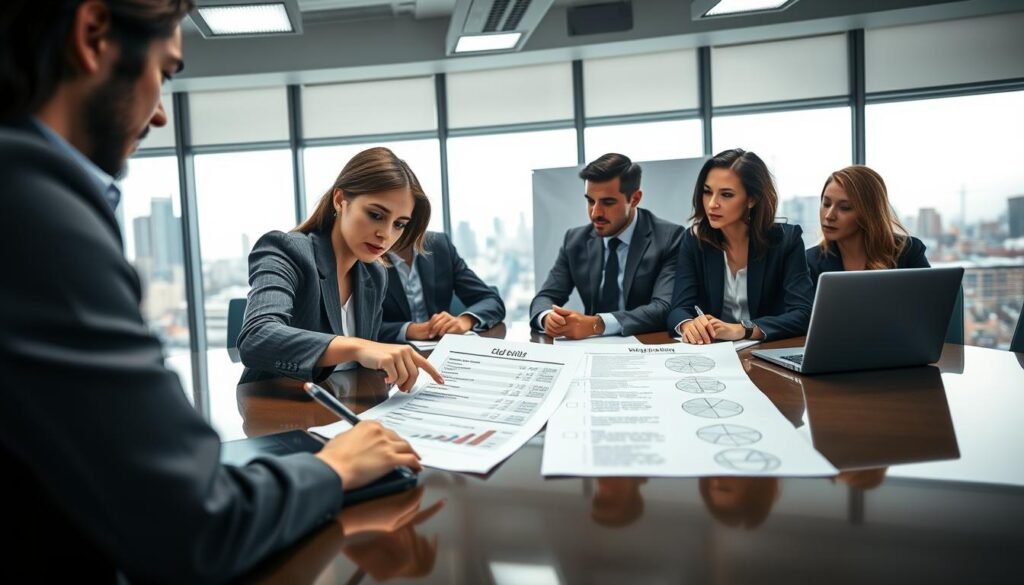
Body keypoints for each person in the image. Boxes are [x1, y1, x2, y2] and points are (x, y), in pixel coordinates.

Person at [0, 2, 423, 581]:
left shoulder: (375, 275)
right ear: (93, 34)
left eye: (399, 224)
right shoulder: (36, 212)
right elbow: (193, 519)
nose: (160, 118)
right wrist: (334, 468)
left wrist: (407, 336)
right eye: (167, 72)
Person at [238, 146, 444, 391]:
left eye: (399, 224)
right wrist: (357, 347)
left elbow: (362, 368)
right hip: (277, 410)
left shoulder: (374, 275)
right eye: (376, 215)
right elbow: (257, 338)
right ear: (340, 201)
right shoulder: (286, 250)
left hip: (343, 409)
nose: (386, 235)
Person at [530, 153, 685, 339]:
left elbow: (664, 307)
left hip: (647, 347)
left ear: (634, 199)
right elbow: (545, 297)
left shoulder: (669, 238)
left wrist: (597, 324)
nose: (595, 213)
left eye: (608, 202)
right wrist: (548, 318)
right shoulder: (575, 240)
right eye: (590, 201)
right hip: (591, 349)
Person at [667, 148, 813, 344]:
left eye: (726, 195)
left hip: (766, 354)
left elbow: (803, 314)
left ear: (752, 199)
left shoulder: (786, 240)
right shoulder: (694, 239)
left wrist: (741, 329)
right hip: (714, 352)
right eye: (707, 191)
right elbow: (678, 308)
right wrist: (689, 325)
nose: (711, 204)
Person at [807, 165, 929, 288]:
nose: (829, 216)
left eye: (845, 208)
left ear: (869, 213)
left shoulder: (908, 251)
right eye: (826, 204)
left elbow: (934, 303)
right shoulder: (808, 262)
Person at [380, 231, 505, 342]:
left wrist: (464, 320)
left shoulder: (438, 245)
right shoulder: (368, 254)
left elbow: (491, 300)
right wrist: (408, 330)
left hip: (441, 349)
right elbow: (362, 327)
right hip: (387, 356)